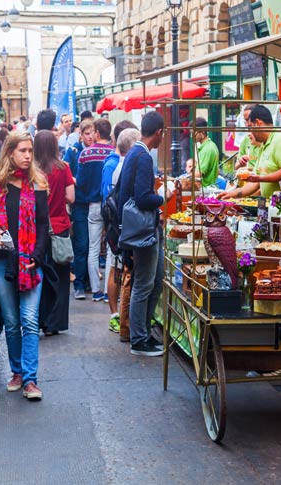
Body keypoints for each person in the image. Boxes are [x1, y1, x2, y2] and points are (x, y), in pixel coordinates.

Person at [0, 131, 52, 401]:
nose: (28, 156)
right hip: (2, 262)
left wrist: (38, 254)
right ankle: (17, 372)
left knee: (29, 320)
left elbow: (44, 224)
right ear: (10, 153)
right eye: (22, 150)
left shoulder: (38, 183)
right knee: (11, 321)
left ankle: (31, 380)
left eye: (30, 151)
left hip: (31, 261)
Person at [118, 111, 173, 356]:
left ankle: (144, 333)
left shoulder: (135, 153)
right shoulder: (142, 157)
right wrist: (163, 197)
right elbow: (142, 198)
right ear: (159, 133)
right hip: (144, 229)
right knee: (144, 283)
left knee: (154, 279)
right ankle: (139, 339)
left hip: (140, 228)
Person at [34, 130, 75, 336]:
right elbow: (71, 197)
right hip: (59, 227)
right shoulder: (63, 168)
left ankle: (39, 319)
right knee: (60, 275)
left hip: (35, 231)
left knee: (40, 275)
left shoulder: (32, 171)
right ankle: (54, 323)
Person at [101, 121, 139, 333]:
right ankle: (118, 316)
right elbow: (110, 199)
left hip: (118, 228)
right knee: (117, 271)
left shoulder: (118, 165)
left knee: (119, 271)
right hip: (118, 229)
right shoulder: (115, 166)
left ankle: (121, 316)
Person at [221, 105, 281, 200]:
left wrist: (260, 178)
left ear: (258, 123)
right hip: (271, 206)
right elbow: (255, 182)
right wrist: (232, 194)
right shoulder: (264, 146)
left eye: (250, 127)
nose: (249, 132)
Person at [77, 118, 113, 302]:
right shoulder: (114, 153)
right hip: (111, 205)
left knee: (92, 247)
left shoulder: (85, 154)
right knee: (109, 248)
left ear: (97, 133)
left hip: (93, 205)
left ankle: (97, 291)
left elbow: (81, 183)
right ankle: (108, 291)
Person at [67, 119, 95, 299]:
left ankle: (88, 282)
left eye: (93, 133)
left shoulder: (97, 150)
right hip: (79, 203)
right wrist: (76, 181)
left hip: (95, 203)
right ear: (81, 135)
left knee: (92, 245)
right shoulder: (74, 151)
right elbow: (66, 171)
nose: (91, 137)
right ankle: (79, 284)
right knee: (82, 244)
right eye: (87, 133)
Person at [193, 117, 220, 188]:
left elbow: (199, 174)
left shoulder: (207, 149)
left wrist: (184, 178)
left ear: (202, 132)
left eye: (193, 133)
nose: (191, 136)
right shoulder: (212, 145)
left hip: (206, 190)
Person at [234, 104, 261, 170]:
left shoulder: (268, 141)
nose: (246, 124)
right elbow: (236, 167)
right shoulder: (246, 139)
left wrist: (251, 170)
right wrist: (241, 162)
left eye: (248, 120)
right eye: (245, 121)